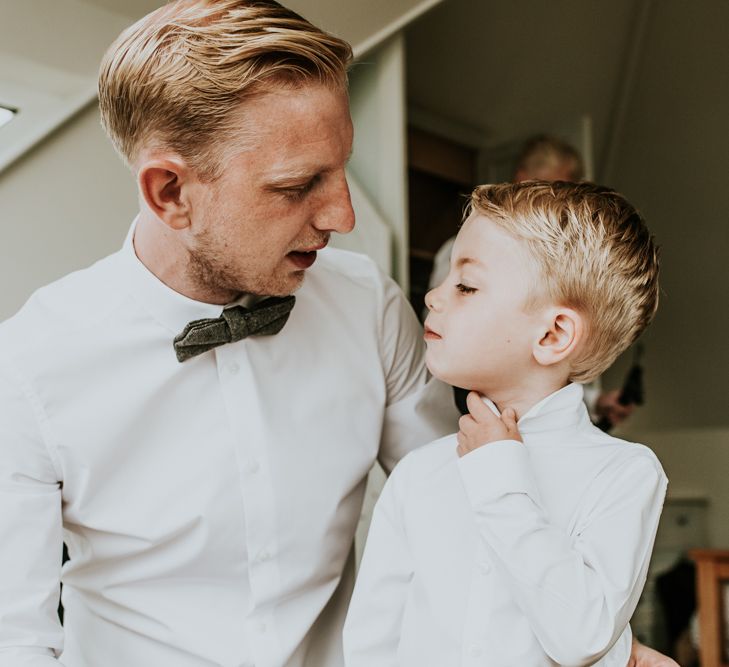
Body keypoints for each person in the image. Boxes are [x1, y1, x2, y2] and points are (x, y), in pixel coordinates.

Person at [0, 2, 674, 666]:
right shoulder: (30, 369)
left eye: (341, 168)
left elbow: (471, 510)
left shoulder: (368, 306)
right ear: (170, 192)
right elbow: (16, 640)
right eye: (298, 184)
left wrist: (613, 647)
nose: (344, 214)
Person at [343, 181, 668, 665]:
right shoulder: (418, 474)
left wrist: (499, 478)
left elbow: (581, 634)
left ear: (554, 334)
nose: (433, 295)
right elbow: (372, 642)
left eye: (466, 285)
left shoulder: (625, 475)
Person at [429, 134, 635, 428]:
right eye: (466, 286)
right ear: (522, 179)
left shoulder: (632, 469)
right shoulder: (463, 250)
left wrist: (595, 402)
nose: (434, 298)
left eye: (565, 192)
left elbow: (547, 375)